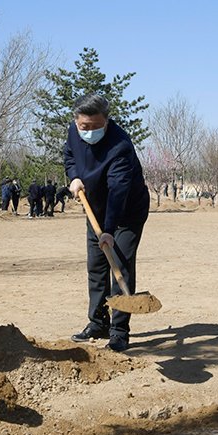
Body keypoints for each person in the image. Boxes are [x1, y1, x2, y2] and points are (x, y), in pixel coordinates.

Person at [64, 93, 150, 352]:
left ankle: (119, 331)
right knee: (97, 267)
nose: (88, 131)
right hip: (95, 208)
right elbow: (69, 156)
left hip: (126, 213)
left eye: (95, 126)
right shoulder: (73, 131)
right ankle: (98, 322)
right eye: (83, 126)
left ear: (107, 121)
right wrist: (74, 176)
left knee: (120, 266)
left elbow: (118, 191)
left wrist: (109, 231)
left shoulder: (120, 146)